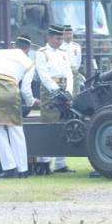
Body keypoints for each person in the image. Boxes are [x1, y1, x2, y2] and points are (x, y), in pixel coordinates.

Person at [0, 35, 40, 178]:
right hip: (11, 89)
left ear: (14, 45)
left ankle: (9, 168)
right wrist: (31, 102)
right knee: (16, 129)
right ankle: (23, 170)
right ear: (27, 49)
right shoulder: (29, 62)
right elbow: (25, 90)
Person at [35, 24, 75, 174]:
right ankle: (44, 163)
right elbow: (44, 76)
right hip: (50, 92)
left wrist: (69, 91)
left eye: (61, 38)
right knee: (49, 126)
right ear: (49, 38)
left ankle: (60, 163)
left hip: (64, 89)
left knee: (64, 126)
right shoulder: (42, 53)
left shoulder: (63, 53)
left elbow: (69, 73)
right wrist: (57, 91)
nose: (60, 41)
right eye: (58, 38)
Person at [60, 25, 82, 96]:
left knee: (76, 93)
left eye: (70, 33)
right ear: (63, 35)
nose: (69, 36)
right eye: (67, 34)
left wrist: (74, 70)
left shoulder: (77, 46)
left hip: (74, 72)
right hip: (63, 73)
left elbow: (78, 61)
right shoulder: (59, 46)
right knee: (64, 92)